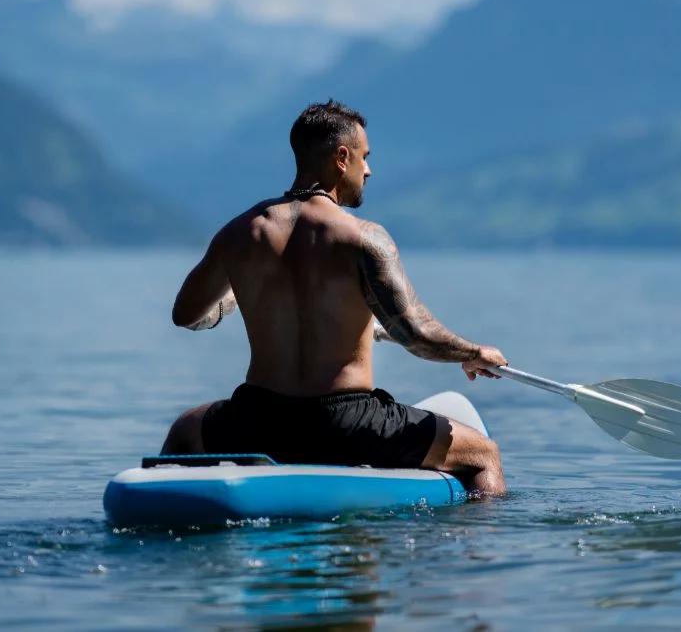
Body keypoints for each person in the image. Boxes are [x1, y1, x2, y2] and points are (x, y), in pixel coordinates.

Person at [161, 100, 508, 495]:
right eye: (365, 157)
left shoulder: (240, 233)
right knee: (484, 455)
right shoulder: (362, 238)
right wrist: (472, 352)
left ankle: (169, 511)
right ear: (342, 157)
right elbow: (415, 333)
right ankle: (487, 547)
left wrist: (244, 290)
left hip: (257, 421)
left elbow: (186, 314)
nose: (369, 170)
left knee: (184, 431)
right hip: (345, 425)